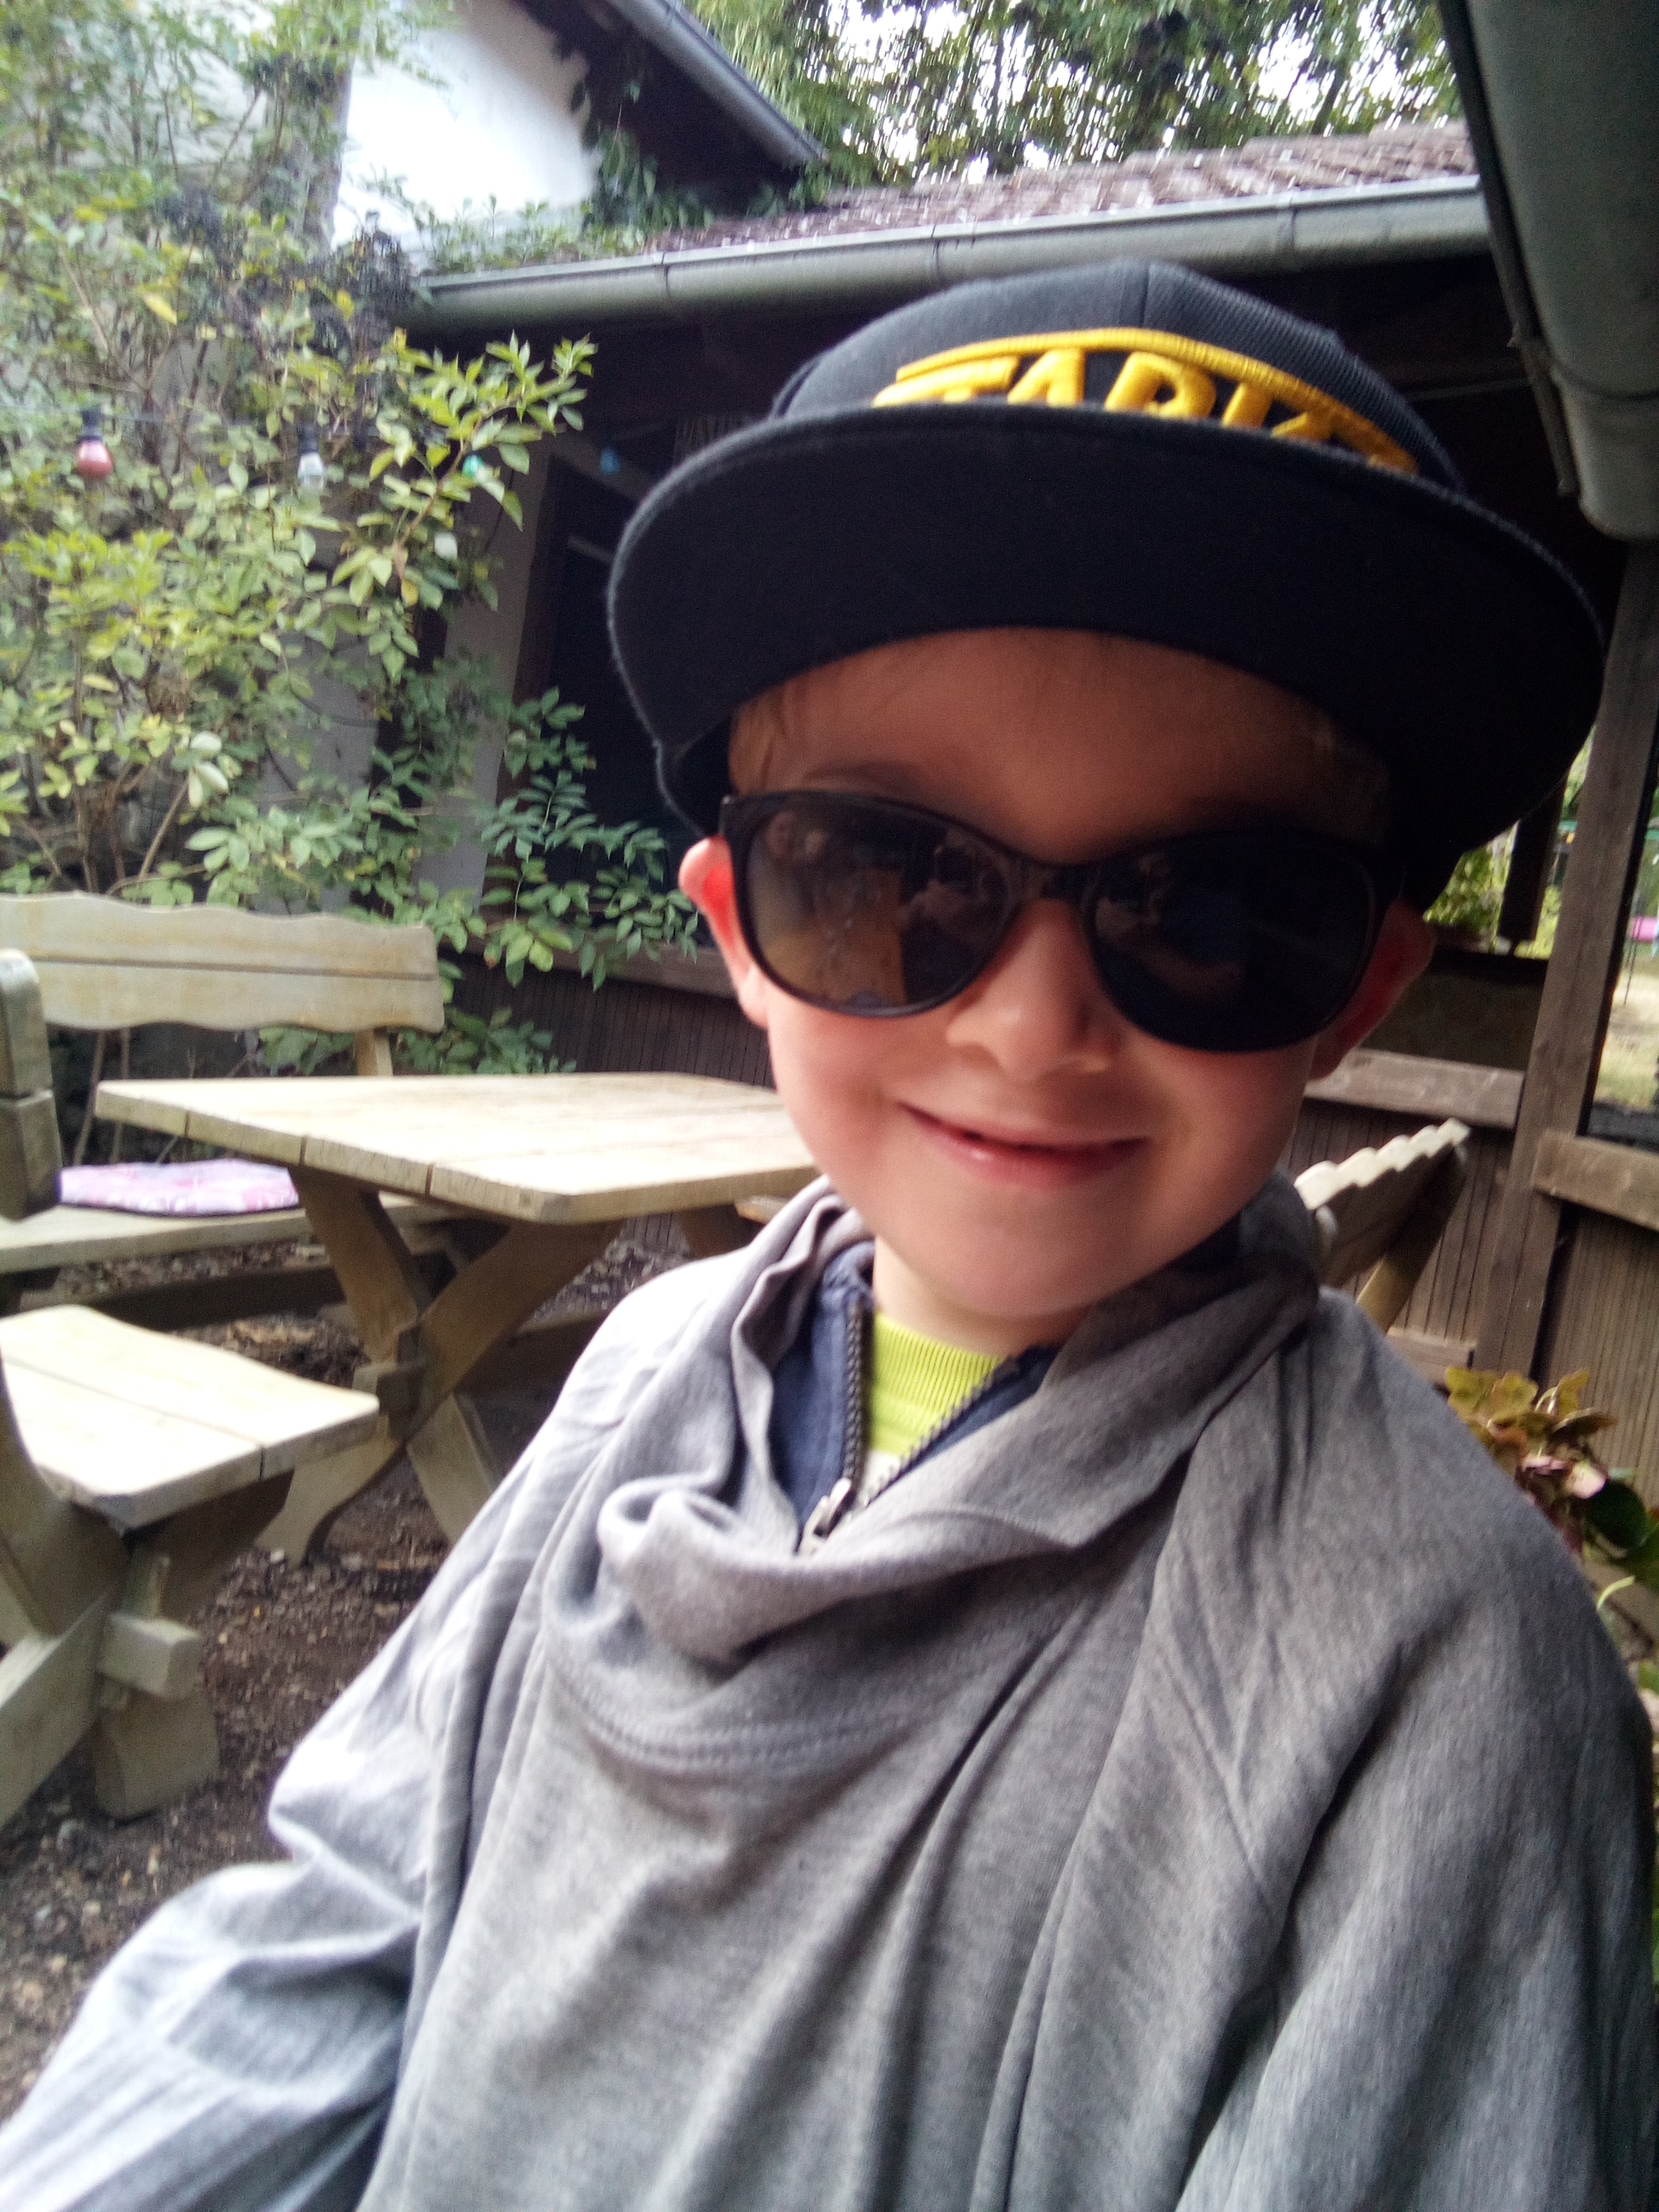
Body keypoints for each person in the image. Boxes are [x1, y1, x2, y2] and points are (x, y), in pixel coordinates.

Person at [3, 259, 1653, 2211]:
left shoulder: (1436, 1679)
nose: (1030, 1026)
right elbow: (343, 1923)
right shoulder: (640, 1372)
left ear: (1356, 989)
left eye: (1213, 909)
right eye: (887, 873)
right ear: (738, 930)